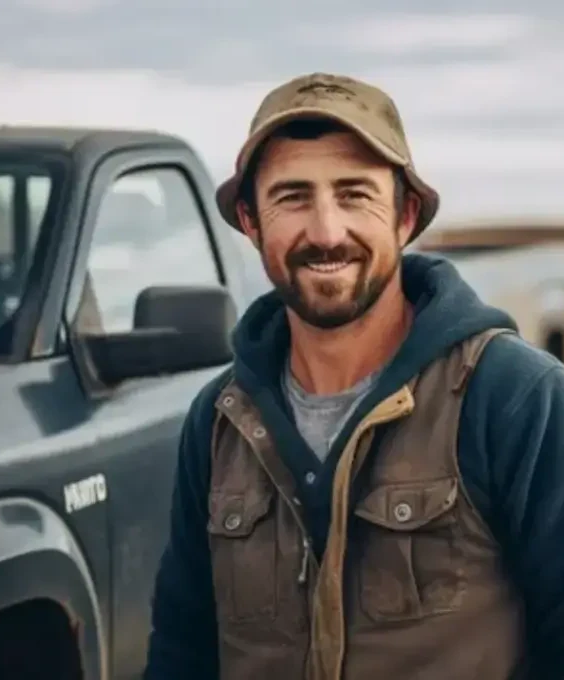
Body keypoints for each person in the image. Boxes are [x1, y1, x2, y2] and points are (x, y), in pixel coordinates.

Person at [143, 72, 564, 679]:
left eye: (354, 194)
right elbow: (183, 649)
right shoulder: (218, 422)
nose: (325, 232)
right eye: (292, 197)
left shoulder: (514, 398)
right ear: (250, 219)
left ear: (404, 215)